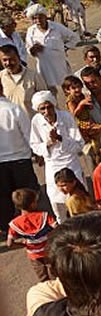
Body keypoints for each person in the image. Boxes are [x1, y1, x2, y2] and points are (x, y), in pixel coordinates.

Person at [29, 91, 85, 222]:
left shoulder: (66, 117)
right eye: (42, 108)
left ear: (54, 105)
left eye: (49, 107)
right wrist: (48, 143)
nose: (47, 111)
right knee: (56, 200)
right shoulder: (36, 121)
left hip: (71, 163)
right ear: (38, 110)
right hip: (52, 165)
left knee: (78, 199)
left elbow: (79, 144)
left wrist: (60, 138)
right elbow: (35, 145)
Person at [0, 84, 38, 234]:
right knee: (27, 197)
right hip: (21, 160)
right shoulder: (14, 109)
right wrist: (37, 153)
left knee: (3, 199)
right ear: (2, 89)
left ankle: (8, 229)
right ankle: (34, 226)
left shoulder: (13, 109)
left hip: (1, 163)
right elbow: (28, 134)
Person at [24, 4, 79, 92]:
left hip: (60, 65)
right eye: (34, 18)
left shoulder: (57, 27)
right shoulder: (31, 31)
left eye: (40, 17)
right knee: (49, 91)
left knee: (67, 87)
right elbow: (28, 48)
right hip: (44, 67)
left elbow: (74, 38)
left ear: (45, 17)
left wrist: (66, 47)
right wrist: (33, 50)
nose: (37, 21)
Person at [6, 188, 57, 281]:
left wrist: (24, 244)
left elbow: (9, 243)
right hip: (49, 251)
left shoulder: (14, 224)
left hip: (34, 255)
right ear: (33, 204)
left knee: (43, 278)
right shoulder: (44, 216)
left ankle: (48, 293)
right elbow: (56, 228)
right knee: (55, 274)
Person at [0, 44, 48, 117]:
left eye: (11, 59)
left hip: (30, 124)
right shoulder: (1, 77)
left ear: (19, 58)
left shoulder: (34, 76)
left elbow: (45, 100)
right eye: (4, 60)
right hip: (9, 124)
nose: (8, 63)